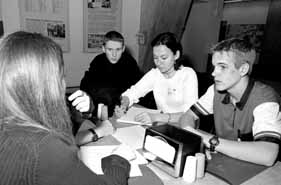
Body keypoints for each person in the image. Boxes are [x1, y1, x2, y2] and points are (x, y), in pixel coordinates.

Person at [0, 31, 130, 185]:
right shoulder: (47, 149)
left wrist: (94, 122)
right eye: (61, 76)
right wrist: (119, 160)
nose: (64, 83)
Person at [179, 38, 281, 166]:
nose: (213, 73)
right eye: (214, 66)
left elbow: (268, 155)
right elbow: (187, 116)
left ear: (243, 69)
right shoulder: (215, 90)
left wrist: (208, 140)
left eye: (222, 67)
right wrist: (196, 140)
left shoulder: (265, 99)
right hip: (223, 161)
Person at [115, 32, 198, 125]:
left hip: (184, 126)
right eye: (155, 58)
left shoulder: (187, 74)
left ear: (176, 55)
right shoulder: (155, 74)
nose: (159, 63)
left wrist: (156, 117)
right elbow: (134, 92)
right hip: (163, 124)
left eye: (164, 57)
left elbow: (190, 114)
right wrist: (124, 104)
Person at [80, 30, 142, 117]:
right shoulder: (97, 61)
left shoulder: (130, 62)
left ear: (123, 48)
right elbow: (85, 85)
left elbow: (138, 87)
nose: (114, 54)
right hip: (101, 109)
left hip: (124, 108)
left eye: (118, 49)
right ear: (103, 49)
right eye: (110, 49)